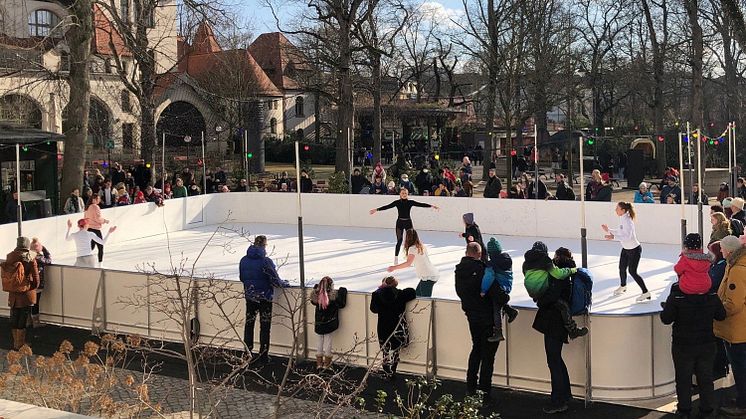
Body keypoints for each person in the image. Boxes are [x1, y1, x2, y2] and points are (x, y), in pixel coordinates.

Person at [661, 247, 726, 419]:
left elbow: (666, 319)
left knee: (683, 379)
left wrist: (668, 307)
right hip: (707, 343)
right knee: (706, 378)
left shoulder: (677, 293)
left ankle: (684, 411)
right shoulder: (711, 292)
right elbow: (721, 315)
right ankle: (707, 411)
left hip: (683, 344)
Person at [532, 246, 578, 414]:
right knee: (556, 360)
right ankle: (565, 394)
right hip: (557, 321)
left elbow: (552, 296)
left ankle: (558, 400)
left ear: (559, 257)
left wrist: (540, 299)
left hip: (554, 322)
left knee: (553, 361)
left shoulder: (561, 275)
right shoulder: (568, 273)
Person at [455, 242, 501, 403]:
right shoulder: (483, 271)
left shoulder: (459, 271)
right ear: (479, 254)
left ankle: (471, 388)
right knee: (488, 356)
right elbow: (498, 294)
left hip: (471, 316)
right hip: (487, 318)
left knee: (476, 349)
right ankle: (484, 394)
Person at [239, 235, 289, 364]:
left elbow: (242, 277)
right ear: (264, 246)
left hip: (250, 296)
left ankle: (247, 353)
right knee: (265, 326)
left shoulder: (244, 260)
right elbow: (274, 280)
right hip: (265, 297)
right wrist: (284, 284)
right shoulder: (265, 261)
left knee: (249, 324)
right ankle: (263, 355)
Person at [523, 241, 588, 339]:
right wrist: (572, 270)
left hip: (532, 293)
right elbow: (558, 275)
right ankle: (573, 330)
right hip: (544, 295)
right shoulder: (545, 260)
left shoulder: (526, 263)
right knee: (564, 306)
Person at [713, 235, 746, 417]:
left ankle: (742, 403)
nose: (722, 252)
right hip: (740, 326)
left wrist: (718, 312)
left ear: (730, 251)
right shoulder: (735, 265)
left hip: (737, 328)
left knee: (740, 368)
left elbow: (733, 303)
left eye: (723, 249)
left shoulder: (737, 270)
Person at [369, 188, 439, 264]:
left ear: (407, 194)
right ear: (400, 194)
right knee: (399, 241)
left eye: (405, 193)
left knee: (411, 241)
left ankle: (410, 258)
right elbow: (387, 206)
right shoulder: (397, 202)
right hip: (400, 223)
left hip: (408, 222)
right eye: (402, 193)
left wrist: (432, 206)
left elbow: (421, 204)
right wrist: (376, 209)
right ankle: (396, 258)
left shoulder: (410, 202)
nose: (404, 195)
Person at [370, 276, 416, 381]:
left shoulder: (377, 295)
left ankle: (386, 372)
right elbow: (412, 292)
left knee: (385, 350)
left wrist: (380, 289)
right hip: (397, 325)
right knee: (396, 350)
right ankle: (393, 371)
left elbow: (374, 309)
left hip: (383, 325)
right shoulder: (401, 294)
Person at [602, 201, 650, 302]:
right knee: (621, 268)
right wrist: (609, 230)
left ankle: (646, 292)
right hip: (626, 249)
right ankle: (623, 286)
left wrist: (613, 236)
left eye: (617, 209)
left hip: (634, 250)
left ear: (623, 210)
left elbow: (627, 236)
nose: (615, 210)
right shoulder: (622, 218)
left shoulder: (628, 221)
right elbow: (620, 232)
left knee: (632, 271)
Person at [3, 237, 39, 350]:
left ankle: (15, 343)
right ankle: (20, 345)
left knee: (15, 316)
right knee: (23, 318)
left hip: (13, 292)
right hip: (26, 293)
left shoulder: (10, 256)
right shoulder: (30, 257)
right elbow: (36, 277)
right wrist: (32, 287)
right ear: (27, 245)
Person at [481, 238, 519, 342]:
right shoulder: (506, 259)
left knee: (496, 309)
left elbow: (488, 277)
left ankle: (498, 332)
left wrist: (483, 290)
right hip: (507, 285)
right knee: (500, 301)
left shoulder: (492, 264)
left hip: (499, 288)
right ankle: (510, 311)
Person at [387, 229, 439, 297]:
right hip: (430, 274)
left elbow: (408, 263)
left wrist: (394, 267)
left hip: (428, 277)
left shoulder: (412, 248)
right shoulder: (420, 246)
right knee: (417, 296)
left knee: (425, 300)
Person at [310, 276, 347, 369]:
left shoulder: (316, 296)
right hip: (329, 324)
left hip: (319, 323)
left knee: (319, 341)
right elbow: (341, 304)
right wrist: (343, 290)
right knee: (328, 342)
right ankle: (327, 364)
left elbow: (313, 299)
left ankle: (319, 364)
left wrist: (316, 288)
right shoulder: (333, 297)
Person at [708, 241, 731, 380]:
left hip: (718, 306)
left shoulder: (720, 267)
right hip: (717, 305)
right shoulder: (719, 265)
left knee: (718, 340)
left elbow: (711, 282)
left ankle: (720, 366)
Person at [29, 238, 50, 328]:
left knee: (29, 302)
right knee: (35, 303)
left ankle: (28, 321)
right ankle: (36, 322)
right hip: (37, 283)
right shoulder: (39, 257)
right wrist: (45, 250)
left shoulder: (27, 256)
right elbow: (48, 261)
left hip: (28, 283)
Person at [84, 195, 110, 264]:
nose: (99, 200)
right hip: (95, 229)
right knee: (100, 246)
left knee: (91, 247)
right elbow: (98, 218)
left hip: (89, 229)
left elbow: (85, 218)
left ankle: (84, 260)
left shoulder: (87, 208)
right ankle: (100, 263)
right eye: (98, 198)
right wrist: (105, 221)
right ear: (94, 199)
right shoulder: (95, 207)